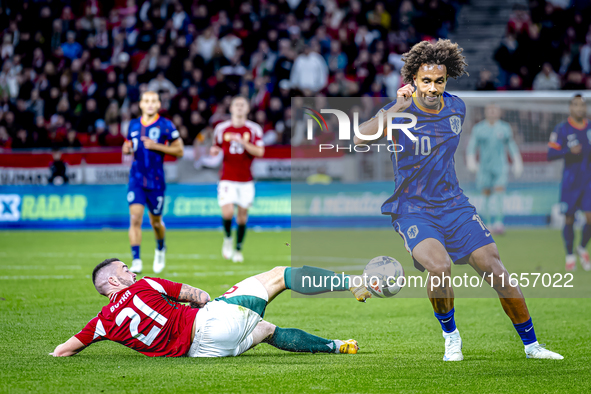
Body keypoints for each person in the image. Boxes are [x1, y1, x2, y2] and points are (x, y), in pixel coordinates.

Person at [355, 39, 563, 361]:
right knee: (440, 267)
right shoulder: (398, 113)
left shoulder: (458, 108)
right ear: (413, 80)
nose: (433, 87)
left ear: (447, 79)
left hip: (454, 205)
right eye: (426, 81)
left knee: (496, 270)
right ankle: (451, 337)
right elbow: (358, 138)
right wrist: (395, 107)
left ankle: (532, 346)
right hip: (413, 209)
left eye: (439, 81)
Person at [50, 258, 371, 358]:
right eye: (124, 269)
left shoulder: (102, 322)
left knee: (265, 330)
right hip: (210, 322)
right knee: (278, 276)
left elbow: (63, 351)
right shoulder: (145, 285)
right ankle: (352, 282)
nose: (131, 271)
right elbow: (201, 297)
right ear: (113, 281)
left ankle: (336, 347)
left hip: (206, 352)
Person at [122, 91, 184, 274]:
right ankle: (136, 260)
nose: (150, 104)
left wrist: (156, 145)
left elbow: (179, 150)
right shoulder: (133, 125)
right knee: (135, 218)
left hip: (156, 181)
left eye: (153, 101)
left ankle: (160, 248)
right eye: (146, 101)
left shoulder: (165, 125)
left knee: (156, 222)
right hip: (136, 179)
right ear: (141, 104)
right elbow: (127, 146)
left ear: (158, 104)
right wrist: (125, 149)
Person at [210, 96, 264, 263]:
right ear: (231, 108)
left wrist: (243, 143)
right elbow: (216, 146)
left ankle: (238, 248)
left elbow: (260, 152)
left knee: (242, 217)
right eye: (237, 105)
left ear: (248, 109)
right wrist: (213, 151)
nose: (239, 108)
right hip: (227, 178)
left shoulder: (254, 129)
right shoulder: (221, 128)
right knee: (227, 212)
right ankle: (227, 238)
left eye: (243, 105)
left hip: (246, 180)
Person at [547, 94, 591, 272]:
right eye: (576, 105)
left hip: (588, 181)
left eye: (582, 105)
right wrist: (568, 151)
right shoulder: (562, 128)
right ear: (570, 108)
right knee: (569, 219)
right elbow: (551, 154)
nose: (579, 108)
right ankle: (570, 255)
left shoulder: (590, 127)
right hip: (570, 183)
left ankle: (582, 247)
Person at [466, 104, 523, 234]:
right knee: (485, 194)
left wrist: (517, 160)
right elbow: (472, 146)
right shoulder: (479, 128)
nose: (492, 112)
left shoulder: (505, 128)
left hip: (500, 166)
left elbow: (511, 145)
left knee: (499, 192)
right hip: (484, 168)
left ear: (499, 112)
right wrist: (471, 160)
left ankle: (499, 222)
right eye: (489, 110)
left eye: (494, 110)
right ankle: (487, 223)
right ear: (486, 112)